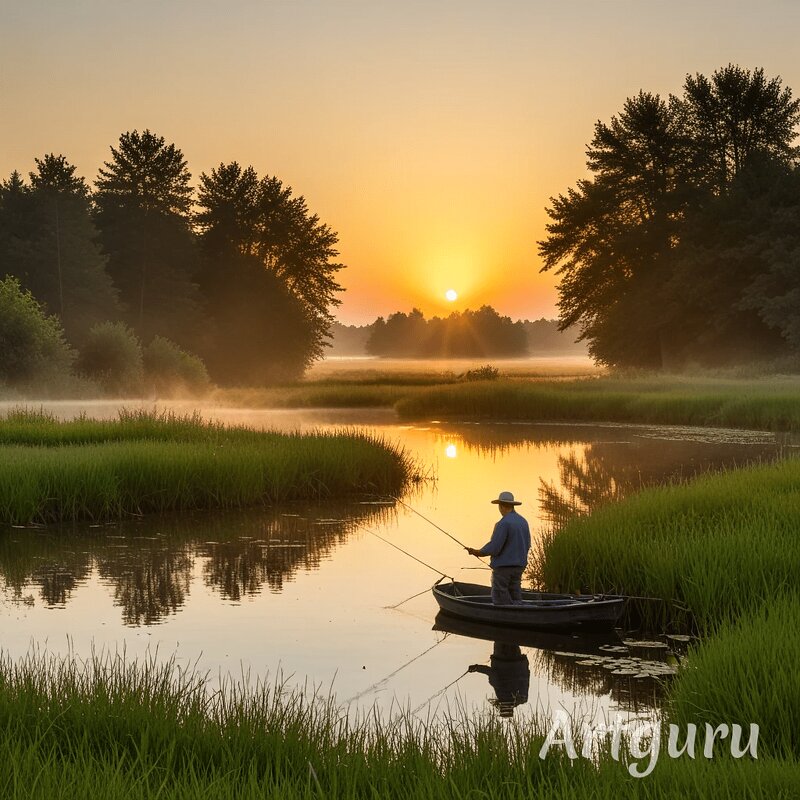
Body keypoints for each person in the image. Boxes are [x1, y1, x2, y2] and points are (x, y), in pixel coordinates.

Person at [466, 490, 531, 605]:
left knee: (500, 596)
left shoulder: (503, 523)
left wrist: (478, 552)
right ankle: (519, 616)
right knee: (515, 593)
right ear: (512, 505)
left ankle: (506, 617)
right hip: (519, 566)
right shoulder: (523, 522)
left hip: (503, 568)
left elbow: (495, 547)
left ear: (501, 506)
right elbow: (528, 544)